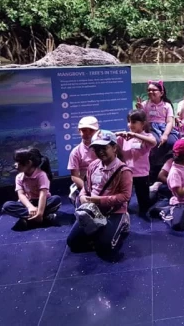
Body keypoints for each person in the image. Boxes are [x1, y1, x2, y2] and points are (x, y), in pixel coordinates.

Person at [67, 130, 133, 259]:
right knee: (72, 242)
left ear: (114, 148)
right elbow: (86, 187)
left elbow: (125, 196)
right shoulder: (93, 166)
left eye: (104, 147)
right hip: (94, 210)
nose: (100, 151)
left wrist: (98, 200)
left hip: (114, 211)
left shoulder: (124, 170)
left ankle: (123, 221)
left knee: (105, 248)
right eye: (96, 148)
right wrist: (82, 196)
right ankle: (100, 231)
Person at [2, 148, 61, 229]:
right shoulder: (19, 177)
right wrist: (30, 207)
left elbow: (43, 195)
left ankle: (30, 218)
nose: (15, 165)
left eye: (18, 162)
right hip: (28, 203)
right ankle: (43, 218)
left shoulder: (41, 175)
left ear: (28, 163)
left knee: (56, 199)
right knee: (7, 206)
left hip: (43, 202)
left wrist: (40, 212)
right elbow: (21, 195)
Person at [116, 109, 157, 217]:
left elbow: (153, 142)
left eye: (134, 122)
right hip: (126, 173)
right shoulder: (124, 138)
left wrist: (135, 135)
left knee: (144, 203)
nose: (130, 124)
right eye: (129, 122)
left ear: (142, 124)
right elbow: (109, 140)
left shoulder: (147, 136)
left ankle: (154, 194)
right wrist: (117, 134)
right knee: (124, 200)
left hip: (142, 174)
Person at [67, 116, 99, 204]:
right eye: (84, 130)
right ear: (79, 131)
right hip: (85, 186)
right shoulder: (75, 152)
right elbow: (74, 177)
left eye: (91, 130)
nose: (87, 133)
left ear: (97, 131)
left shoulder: (105, 148)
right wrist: (88, 190)